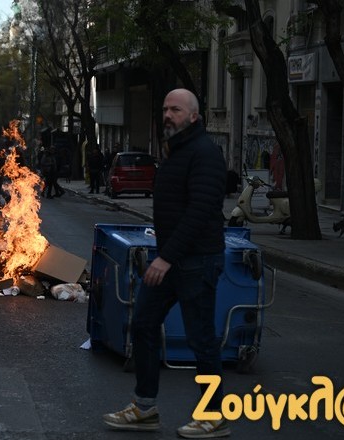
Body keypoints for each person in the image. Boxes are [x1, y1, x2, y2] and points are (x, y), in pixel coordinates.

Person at [102, 89, 230, 439]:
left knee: (201, 340)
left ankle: (213, 416)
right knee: (143, 324)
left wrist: (166, 257)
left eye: (175, 109)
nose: (167, 114)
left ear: (194, 116)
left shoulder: (205, 154)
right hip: (173, 260)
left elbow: (200, 211)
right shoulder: (177, 151)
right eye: (164, 108)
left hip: (195, 261)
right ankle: (145, 408)